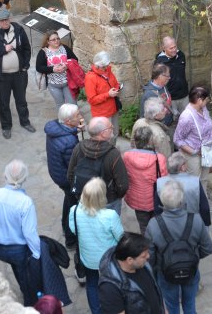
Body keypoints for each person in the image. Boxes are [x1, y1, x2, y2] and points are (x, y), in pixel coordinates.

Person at [145, 179, 212, 314]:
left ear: (162, 201)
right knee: (189, 304)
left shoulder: (153, 224)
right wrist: (193, 256)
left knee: (171, 306)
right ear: (182, 200)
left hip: (165, 272)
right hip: (191, 270)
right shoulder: (196, 220)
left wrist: (157, 268)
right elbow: (208, 248)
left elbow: (150, 256)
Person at [69, 177, 124, 314]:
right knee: (112, 285)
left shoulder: (75, 210)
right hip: (108, 260)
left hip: (88, 258)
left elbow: (74, 229)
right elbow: (121, 237)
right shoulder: (110, 215)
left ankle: (96, 311)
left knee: (92, 284)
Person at [0, 159, 41, 306]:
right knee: (27, 281)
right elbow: (29, 233)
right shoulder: (25, 202)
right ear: (25, 178)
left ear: (5, 176)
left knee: (17, 269)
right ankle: (30, 304)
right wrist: (37, 254)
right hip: (18, 250)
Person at [0, 8, 35, 139]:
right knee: (4, 102)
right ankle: (6, 126)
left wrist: (26, 65)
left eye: (7, 19)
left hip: (19, 74)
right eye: (2, 20)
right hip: (1, 76)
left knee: (21, 100)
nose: (5, 22)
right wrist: (3, 49)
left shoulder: (18, 30)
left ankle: (25, 121)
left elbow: (27, 48)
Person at [66, 116, 129, 215]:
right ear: (103, 133)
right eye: (110, 127)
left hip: (85, 199)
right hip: (107, 201)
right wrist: (114, 197)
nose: (112, 127)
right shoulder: (113, 154)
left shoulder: (78, 147)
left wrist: (83, 194)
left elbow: (70, 175)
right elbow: (122, 185)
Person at [45, 103, 85, 248]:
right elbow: (73, 167)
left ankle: (64, 226)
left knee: (68, 201)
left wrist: (76, 130)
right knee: (73, 208)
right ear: (68, 121)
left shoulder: (56, 127)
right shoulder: (69, 142)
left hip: (57, 172)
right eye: (77, 116)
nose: (80, 117)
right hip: (66, 178)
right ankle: (70, 239)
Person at [98, 232, 164, 314]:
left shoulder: (143, 264)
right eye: (143, 256)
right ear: (130, 260)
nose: (148, 256)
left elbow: (155, 290)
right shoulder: (109, 287)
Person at [123, 126, 169, 234]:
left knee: (143, 225)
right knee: (157, 224)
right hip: (155, 198)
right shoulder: (159, 158)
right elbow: (164, 179)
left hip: (136, 198)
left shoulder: (127, 156)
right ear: (150, 140)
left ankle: (146, 246)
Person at [154, 152, 211, 227]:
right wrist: (206, 225)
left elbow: (157, 209)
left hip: (168, 226)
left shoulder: (159, 183)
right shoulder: (195, 182)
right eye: (186, 163)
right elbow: (205, 208)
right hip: (191, 225)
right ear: (182, 167)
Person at [173, 86, 212, 179]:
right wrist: (194, 152)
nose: (207, 101)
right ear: (200, 100)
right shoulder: (186, 117)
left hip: (206, 151)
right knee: (194, 181)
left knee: (204, 179)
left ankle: (204, 194)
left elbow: (208, 122)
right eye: (206, 99)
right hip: (193, 156)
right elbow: (177, 139)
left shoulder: (203, 109)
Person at [35, 30, 78, 109]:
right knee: (61, 106)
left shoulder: (65, 48)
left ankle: (76, 121)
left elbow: (75, 60)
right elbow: (39, 67)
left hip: (67, 82)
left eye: (58, 38)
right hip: (53, 85)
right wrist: (53, 69)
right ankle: (63, 121)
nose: (56, 41)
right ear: (48, 41)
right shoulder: (43, 52)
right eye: (53, 39)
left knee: (72, 104)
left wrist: (66, 65)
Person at [84, 50, 121, 139]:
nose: (106, 68)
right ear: (97, 66)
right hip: (102, 113)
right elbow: (92, 100)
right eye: (104, 67)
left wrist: (117, 88)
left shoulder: (108, 71)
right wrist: (108, 94)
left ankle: (113, 151)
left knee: (115, 133)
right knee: (105, 137)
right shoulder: (90, 78)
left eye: (107, 65)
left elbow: (115, 83)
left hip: (113, 109)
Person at [155, 36, 188, 118]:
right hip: (170, 98)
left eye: (175, 47)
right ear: (164, 48)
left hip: (184, 96)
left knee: (187, 119)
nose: (174, 50)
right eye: (171, 48)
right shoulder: (160, 62)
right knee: (173, 121)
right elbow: (157, 81)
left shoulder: (181, 55)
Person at [139, 63, 174, 128]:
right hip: (158, 129)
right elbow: (144, 117)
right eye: (167, 76)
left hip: (168, 125)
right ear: (160, 77)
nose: (169, 78)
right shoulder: (149, 95)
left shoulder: (163, 86)